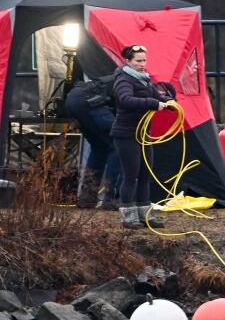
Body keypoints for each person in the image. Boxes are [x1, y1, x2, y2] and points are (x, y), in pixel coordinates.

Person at [110, 45, 176, 229]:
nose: (142, 64)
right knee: (131, 175)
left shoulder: (145, 80)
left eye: (144, 60)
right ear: (128, 61)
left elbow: (157, 97)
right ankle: (128, 217)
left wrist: (169, 101)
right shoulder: (123, 80)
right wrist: (154, 104)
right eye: (138, 61)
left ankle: (145, 215)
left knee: (145, 174)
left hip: (143, 135)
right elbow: (126, 100)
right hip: (126, 134)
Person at [65, 74, 121, 210]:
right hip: (90, 101)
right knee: (117, 144)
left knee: (99, 147)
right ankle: (111, 198)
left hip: (72, 99)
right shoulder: (132, 82)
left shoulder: (117, 77)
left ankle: (87, 197)